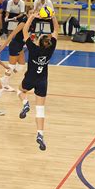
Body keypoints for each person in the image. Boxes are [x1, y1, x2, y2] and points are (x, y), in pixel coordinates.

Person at [18, 12, 59, 151]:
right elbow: (56, 30)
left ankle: (25, 104)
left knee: (20, 90)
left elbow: (24, 30)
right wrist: (52, 16)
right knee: (40, 110)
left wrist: (32, 17)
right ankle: (40, 134)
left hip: (30, 78)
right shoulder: (51, 49)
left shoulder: (33, 48)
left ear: (38, 42)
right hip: (42, 82)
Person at [0, 8, 35, 91]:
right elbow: (12, 34)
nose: (32, 14)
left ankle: (4, 78)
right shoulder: (23, 23)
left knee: (21, 66)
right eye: (30, 13)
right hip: (15, 45)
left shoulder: (33, 23)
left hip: (21, 46)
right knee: (11, 66)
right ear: (27, 14)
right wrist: (3, 46)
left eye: (34, 13)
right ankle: (5, 84)